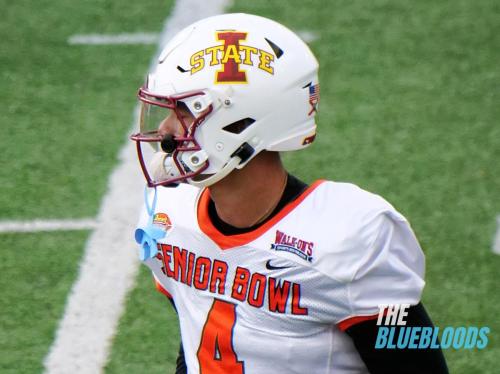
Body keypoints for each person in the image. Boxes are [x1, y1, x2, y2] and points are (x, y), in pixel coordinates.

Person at [130, 13, 448, 374]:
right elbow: (196, 340)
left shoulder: (345, 238)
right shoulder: (174, 214)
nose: (166, 130)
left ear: (240, 123)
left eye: (183, 111)